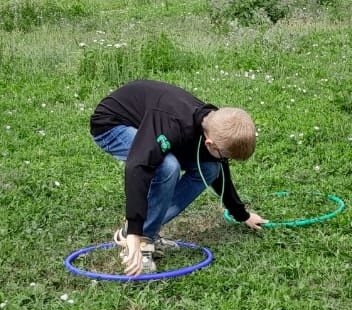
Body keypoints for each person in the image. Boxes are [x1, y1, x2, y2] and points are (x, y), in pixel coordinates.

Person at [90, 79, 266, 275]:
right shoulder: (173, 124)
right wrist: (134, 231)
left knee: (210, 169)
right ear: (209, 144)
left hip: (151, 128)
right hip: (112, 124)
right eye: (226, 156)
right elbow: (138, 166)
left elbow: (220, 167)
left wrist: (242, 215)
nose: (226, 161)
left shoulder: (213, 126)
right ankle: (140, 239)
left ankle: (148, 229)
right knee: (167, 167)